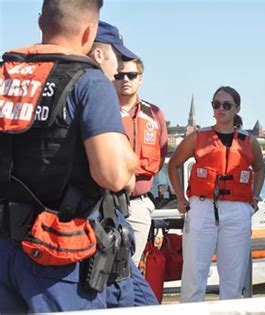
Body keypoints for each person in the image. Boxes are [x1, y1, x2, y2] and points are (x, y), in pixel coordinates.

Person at [0, 1, 138, 313]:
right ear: (89, 31)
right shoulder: (88, 81)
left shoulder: (3, 75)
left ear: (40, 23)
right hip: (55, 253)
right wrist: (128, 159)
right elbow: (113, 174)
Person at [168, 86, 265, 302]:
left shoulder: (249, 141)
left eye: (226, 105)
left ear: (237, 109)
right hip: (202, 206)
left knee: (233, 278)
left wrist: (255, 197)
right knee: (194, 274)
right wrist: (181, 199)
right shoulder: (198, 138)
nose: (220, 109)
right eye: (216, 104)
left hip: (237, 209)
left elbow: (260, 168)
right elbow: (173, 165)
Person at [88, 21, 159, 307]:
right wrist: (128, 161)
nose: (120, 71)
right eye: (117, 59)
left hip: (116, 215)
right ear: (99, 55)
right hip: (96, 221)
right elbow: (119, 176)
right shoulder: (94, 92)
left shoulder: (154, 114)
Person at [113, 58, 168, 266]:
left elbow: (161, 156)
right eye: (119, 75)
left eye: (131, 75)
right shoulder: (101, 110)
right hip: (103, 203)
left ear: (140, 79)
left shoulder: (155, 115)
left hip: (138, 204)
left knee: (131, 268)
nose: (125, 79)